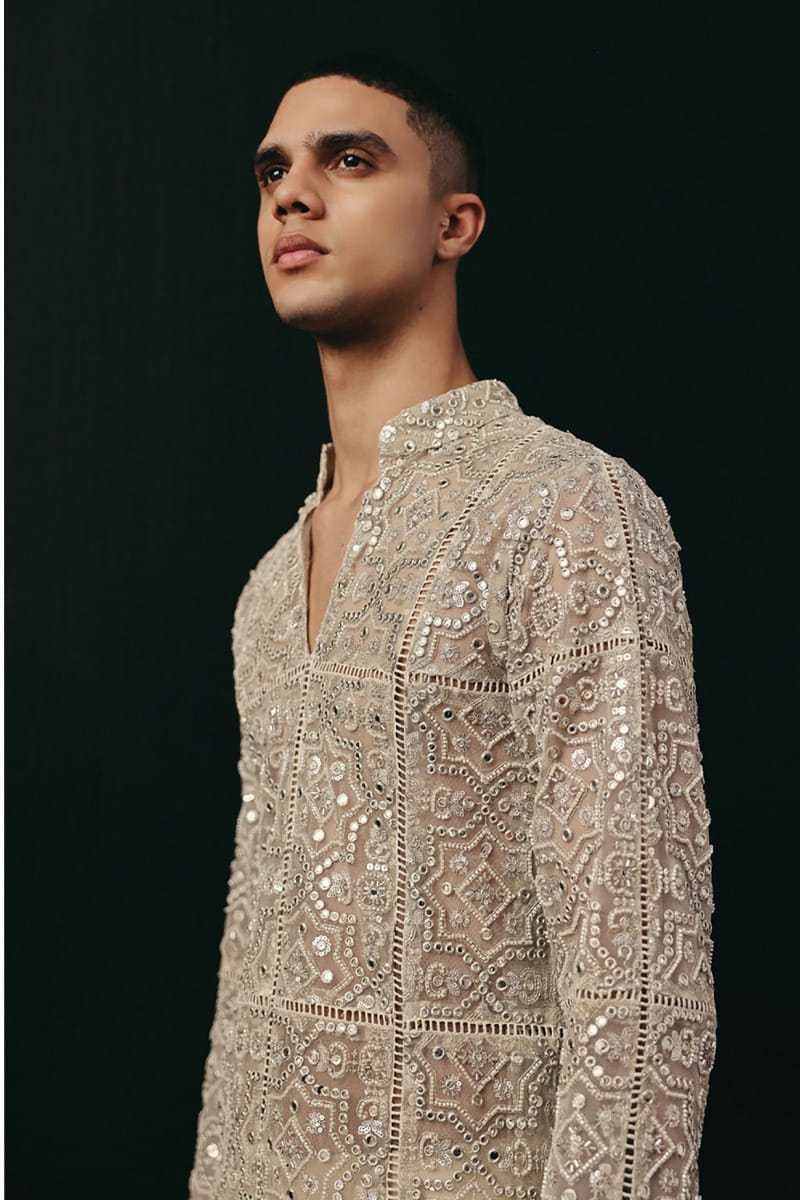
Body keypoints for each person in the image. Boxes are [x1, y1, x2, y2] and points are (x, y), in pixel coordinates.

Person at [189, 54, 715, 1200]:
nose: (291, 195)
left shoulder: (564, 509)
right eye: (271, 172)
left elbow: (639, 969)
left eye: (349, 160)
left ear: (453, 223)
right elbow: (251, 977)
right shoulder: (268, 588)